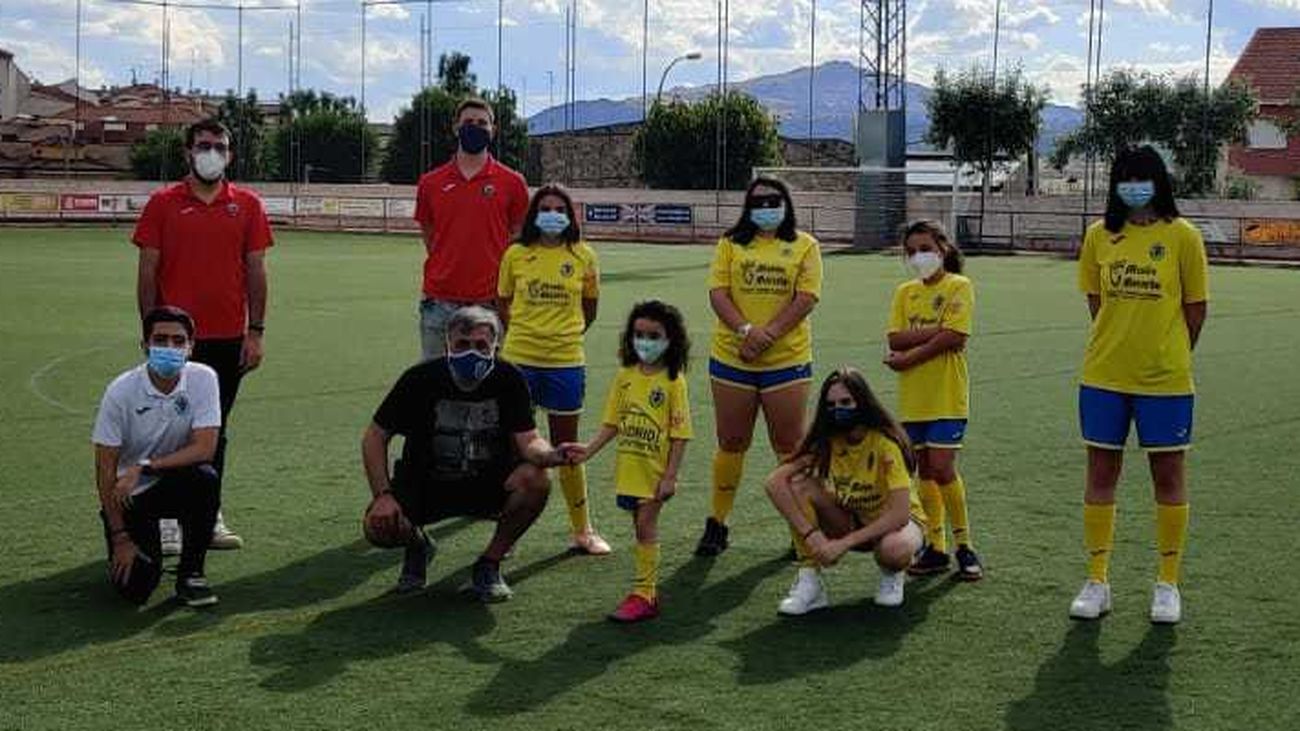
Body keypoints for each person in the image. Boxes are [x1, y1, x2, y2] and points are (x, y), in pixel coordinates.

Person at [1069, 145, 1208, 625]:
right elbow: (1096, 302)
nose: (1133, 186)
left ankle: (1167, 583)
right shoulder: (1098, 236)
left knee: (1168, 478)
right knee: (1101, 476)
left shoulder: (1183, 236)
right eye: (1124, 178)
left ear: (1159, 182)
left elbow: (1195, 309)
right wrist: (1120, 344)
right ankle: (1097, 580)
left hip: (1166, 381)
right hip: (1103, 377)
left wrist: (1165, 353)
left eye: (1141, 177)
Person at [361, 306, 572, 602]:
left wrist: (552, 455)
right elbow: (374, 436)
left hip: (488, 484)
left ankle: (489, 564)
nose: (471, 353)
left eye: (481, 345)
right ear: (448, 344)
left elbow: (529, 441)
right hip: (425, 484)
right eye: (462, 344)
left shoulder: (509, 378)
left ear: (495, 347)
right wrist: (382, 495)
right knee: (377, 527)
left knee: (536, 479)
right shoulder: (420, 379)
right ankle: (416, 542)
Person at [134, 118, 273, 553]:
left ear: (230, 154)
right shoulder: (162, 203)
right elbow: (147, 271)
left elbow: (256, 271)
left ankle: (207, 515)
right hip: (174, 342)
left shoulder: (247, 205)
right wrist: (151, 332)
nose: (212, 152)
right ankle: (168, 519)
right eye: (203, 145)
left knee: (213, 430)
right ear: (188, 152)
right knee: (166, 429)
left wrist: (256, 332)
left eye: (220, 146)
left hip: (227, 338)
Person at [697, 176, 823, 557]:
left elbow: (807, 298)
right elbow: (718, 293)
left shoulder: (805, 245)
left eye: (774, 200)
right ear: (747, 207)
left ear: (786, 203)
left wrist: (768, 335)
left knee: (788, 446)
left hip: (786, 359)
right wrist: (746, 331)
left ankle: (799, 527)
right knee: (731, 442)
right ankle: (717, 524)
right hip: (733, 357)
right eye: (758, 201)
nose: (766, 207)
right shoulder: (730, 243)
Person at [497, 184, 610, 555]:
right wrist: (526, 336)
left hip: (565, 361)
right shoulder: (516, 253)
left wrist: (564, 334)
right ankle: (508, 530)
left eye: (559, 209)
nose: (552, 214)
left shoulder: (584, 256)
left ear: (570, 215)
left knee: (567, 449)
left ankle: (583, 530)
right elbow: (503, 303)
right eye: (544, 208)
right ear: (533, 214)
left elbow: (590, 310)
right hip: (519, 360)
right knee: (515, 450)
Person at [566, 301, 692, 623]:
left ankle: (644, 594)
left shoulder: (673, 381)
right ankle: (646, 593)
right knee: (639, 526)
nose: (645, 341)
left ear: (670, 339)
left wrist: (670, 477)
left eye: (654, 335)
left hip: (654, 471)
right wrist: (589, 450)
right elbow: (613, 423)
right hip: (628, 469)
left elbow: (680, 434)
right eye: (639, 334)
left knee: (646, 527)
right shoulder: (625, 376)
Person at [765, 367, 926, 614]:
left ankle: (893, 572)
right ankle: (810, 579)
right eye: (831, 405)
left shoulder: (885, 443)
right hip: (854, 521)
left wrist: (843, 544)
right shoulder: (827, 442)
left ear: (862, 402)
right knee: (797, 484)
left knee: (893, 550)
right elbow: (775, 483)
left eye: (846, 402)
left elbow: (900, 514)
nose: (838, 409)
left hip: (896, 527)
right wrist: (813, 537)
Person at [92, 306, 223, 607]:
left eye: (179, 341)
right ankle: (126, 538)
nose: (170, 348)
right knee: (134, 591)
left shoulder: (204, 379)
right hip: (129, 495)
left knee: (205, 479)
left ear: (191, 347)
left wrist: (146, 465)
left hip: (171, 481)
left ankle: (192, 574)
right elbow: (104, 469)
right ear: (145, 345)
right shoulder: (120, 392)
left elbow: (205, 448)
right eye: (160, 340)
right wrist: (120, 536)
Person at [884, 220, 984, 581]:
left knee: (943, 468)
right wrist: (938, 332)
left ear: (942, 248)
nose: (918, 257)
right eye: (910, 251)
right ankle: (936, 548)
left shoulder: (959, 285)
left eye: (924, 248)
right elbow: (894, 338)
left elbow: (955, 337)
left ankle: (965, 546)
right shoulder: (904, 292)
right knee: (924, 470)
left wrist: (912, 352)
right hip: (914, 397)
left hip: (947, 395)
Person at [414, 97, 530, 361]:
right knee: (434, 383)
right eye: (468, 122)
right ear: (456, 128)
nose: (475, 127)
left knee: (489, 384)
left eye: (482, 123)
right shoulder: (430, 183)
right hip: (439, 301)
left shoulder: (513, 182)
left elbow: (518, 236)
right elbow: (429, 235)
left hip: (491, 302)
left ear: (493, 130)